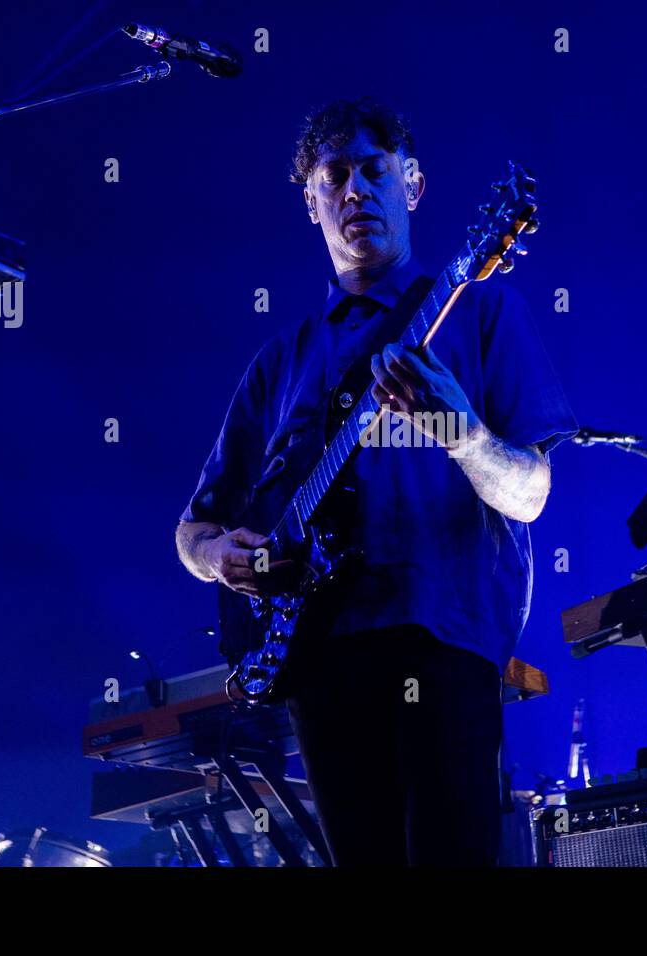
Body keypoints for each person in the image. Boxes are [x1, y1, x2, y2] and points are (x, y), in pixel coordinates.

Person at [175, 97, 577, 865]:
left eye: (374, 170)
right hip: (319, 661)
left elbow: (531, 493)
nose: (355, 190)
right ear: (312, 201)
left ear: (414, 187)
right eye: (335, 176)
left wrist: (458, 430)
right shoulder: (279, 363)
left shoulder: (481, 311)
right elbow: (192, 528)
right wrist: (222, 557)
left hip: (443, 643)